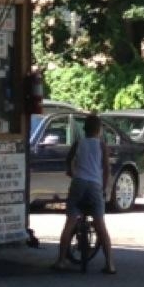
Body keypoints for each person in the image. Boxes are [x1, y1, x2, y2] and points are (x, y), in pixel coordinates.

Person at [55, 112, 116, 274]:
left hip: (79, 183)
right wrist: (103, 188)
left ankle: (61, 260)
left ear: (85, 129)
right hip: (94, 185)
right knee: (100, 223)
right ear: (99, 130)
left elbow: (68, 161)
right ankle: (110, 264)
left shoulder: (78, 143)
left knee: (70, 222)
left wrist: (71, 172)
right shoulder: (102, 145)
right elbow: (106, 169)